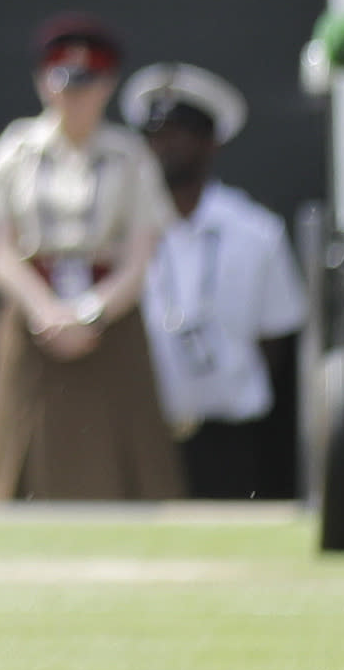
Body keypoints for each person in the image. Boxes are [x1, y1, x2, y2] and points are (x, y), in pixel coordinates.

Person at [0, 13, 184, 503]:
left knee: (127, 457)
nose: (71, 95)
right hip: (31, 320)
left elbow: (140, 256)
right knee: (14, 453)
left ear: (107, 86)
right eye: (60, 81)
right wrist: (46, 312)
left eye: (86, 83)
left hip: (110, 322)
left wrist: (92, 313)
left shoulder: (130, 156)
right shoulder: (14, 150)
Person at [124, 62, 306, 499]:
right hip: (141, 433)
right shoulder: (121, 229)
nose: (164, 147)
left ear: (211, 142)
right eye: (155, 135)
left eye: (179, 133)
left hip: (233, 438)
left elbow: (276, 341)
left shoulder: (257, 231)